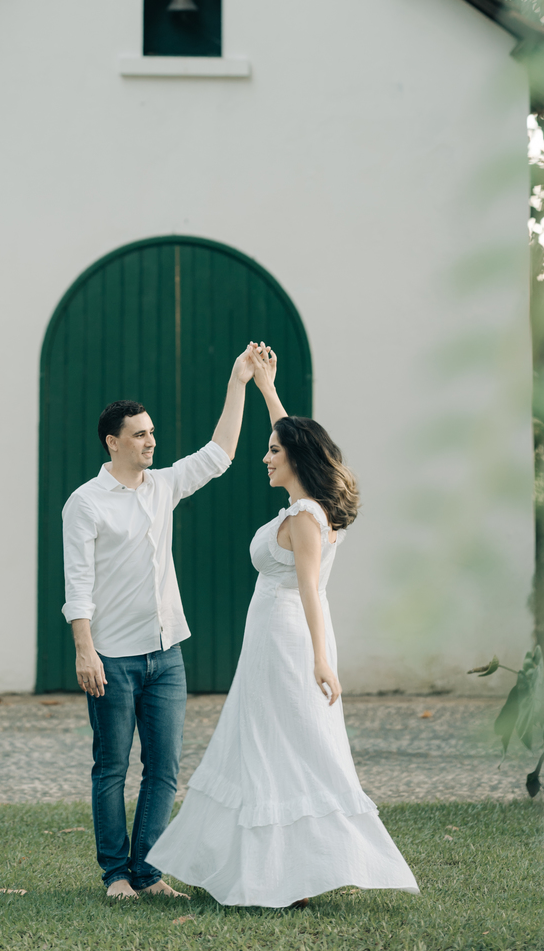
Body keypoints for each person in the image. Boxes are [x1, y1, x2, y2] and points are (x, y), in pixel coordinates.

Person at [148, 346, 419, 908]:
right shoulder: (311, 506)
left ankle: (291, 875)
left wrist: (321, 660)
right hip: (270, 640)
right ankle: (272, 872)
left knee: (284, 748)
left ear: (296, 460)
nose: (265, 457)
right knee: (266, 746)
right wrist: (264, 387)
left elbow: (313, 595)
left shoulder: (303, 519)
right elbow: (291, 435)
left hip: (290, 640)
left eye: (273, 452)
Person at [62, 347, 260, 900]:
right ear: (113, 442)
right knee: (110, 767)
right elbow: (77, 583)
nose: (151, 441)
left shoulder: (164, 487)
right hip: (113, 657)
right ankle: (115, 876)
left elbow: (219, 454)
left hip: (167, 653)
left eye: (152, 433)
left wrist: (238, 381)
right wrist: (85, 650)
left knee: (165, 769)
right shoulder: (86, 503)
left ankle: (148, 873)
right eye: (140, 435)